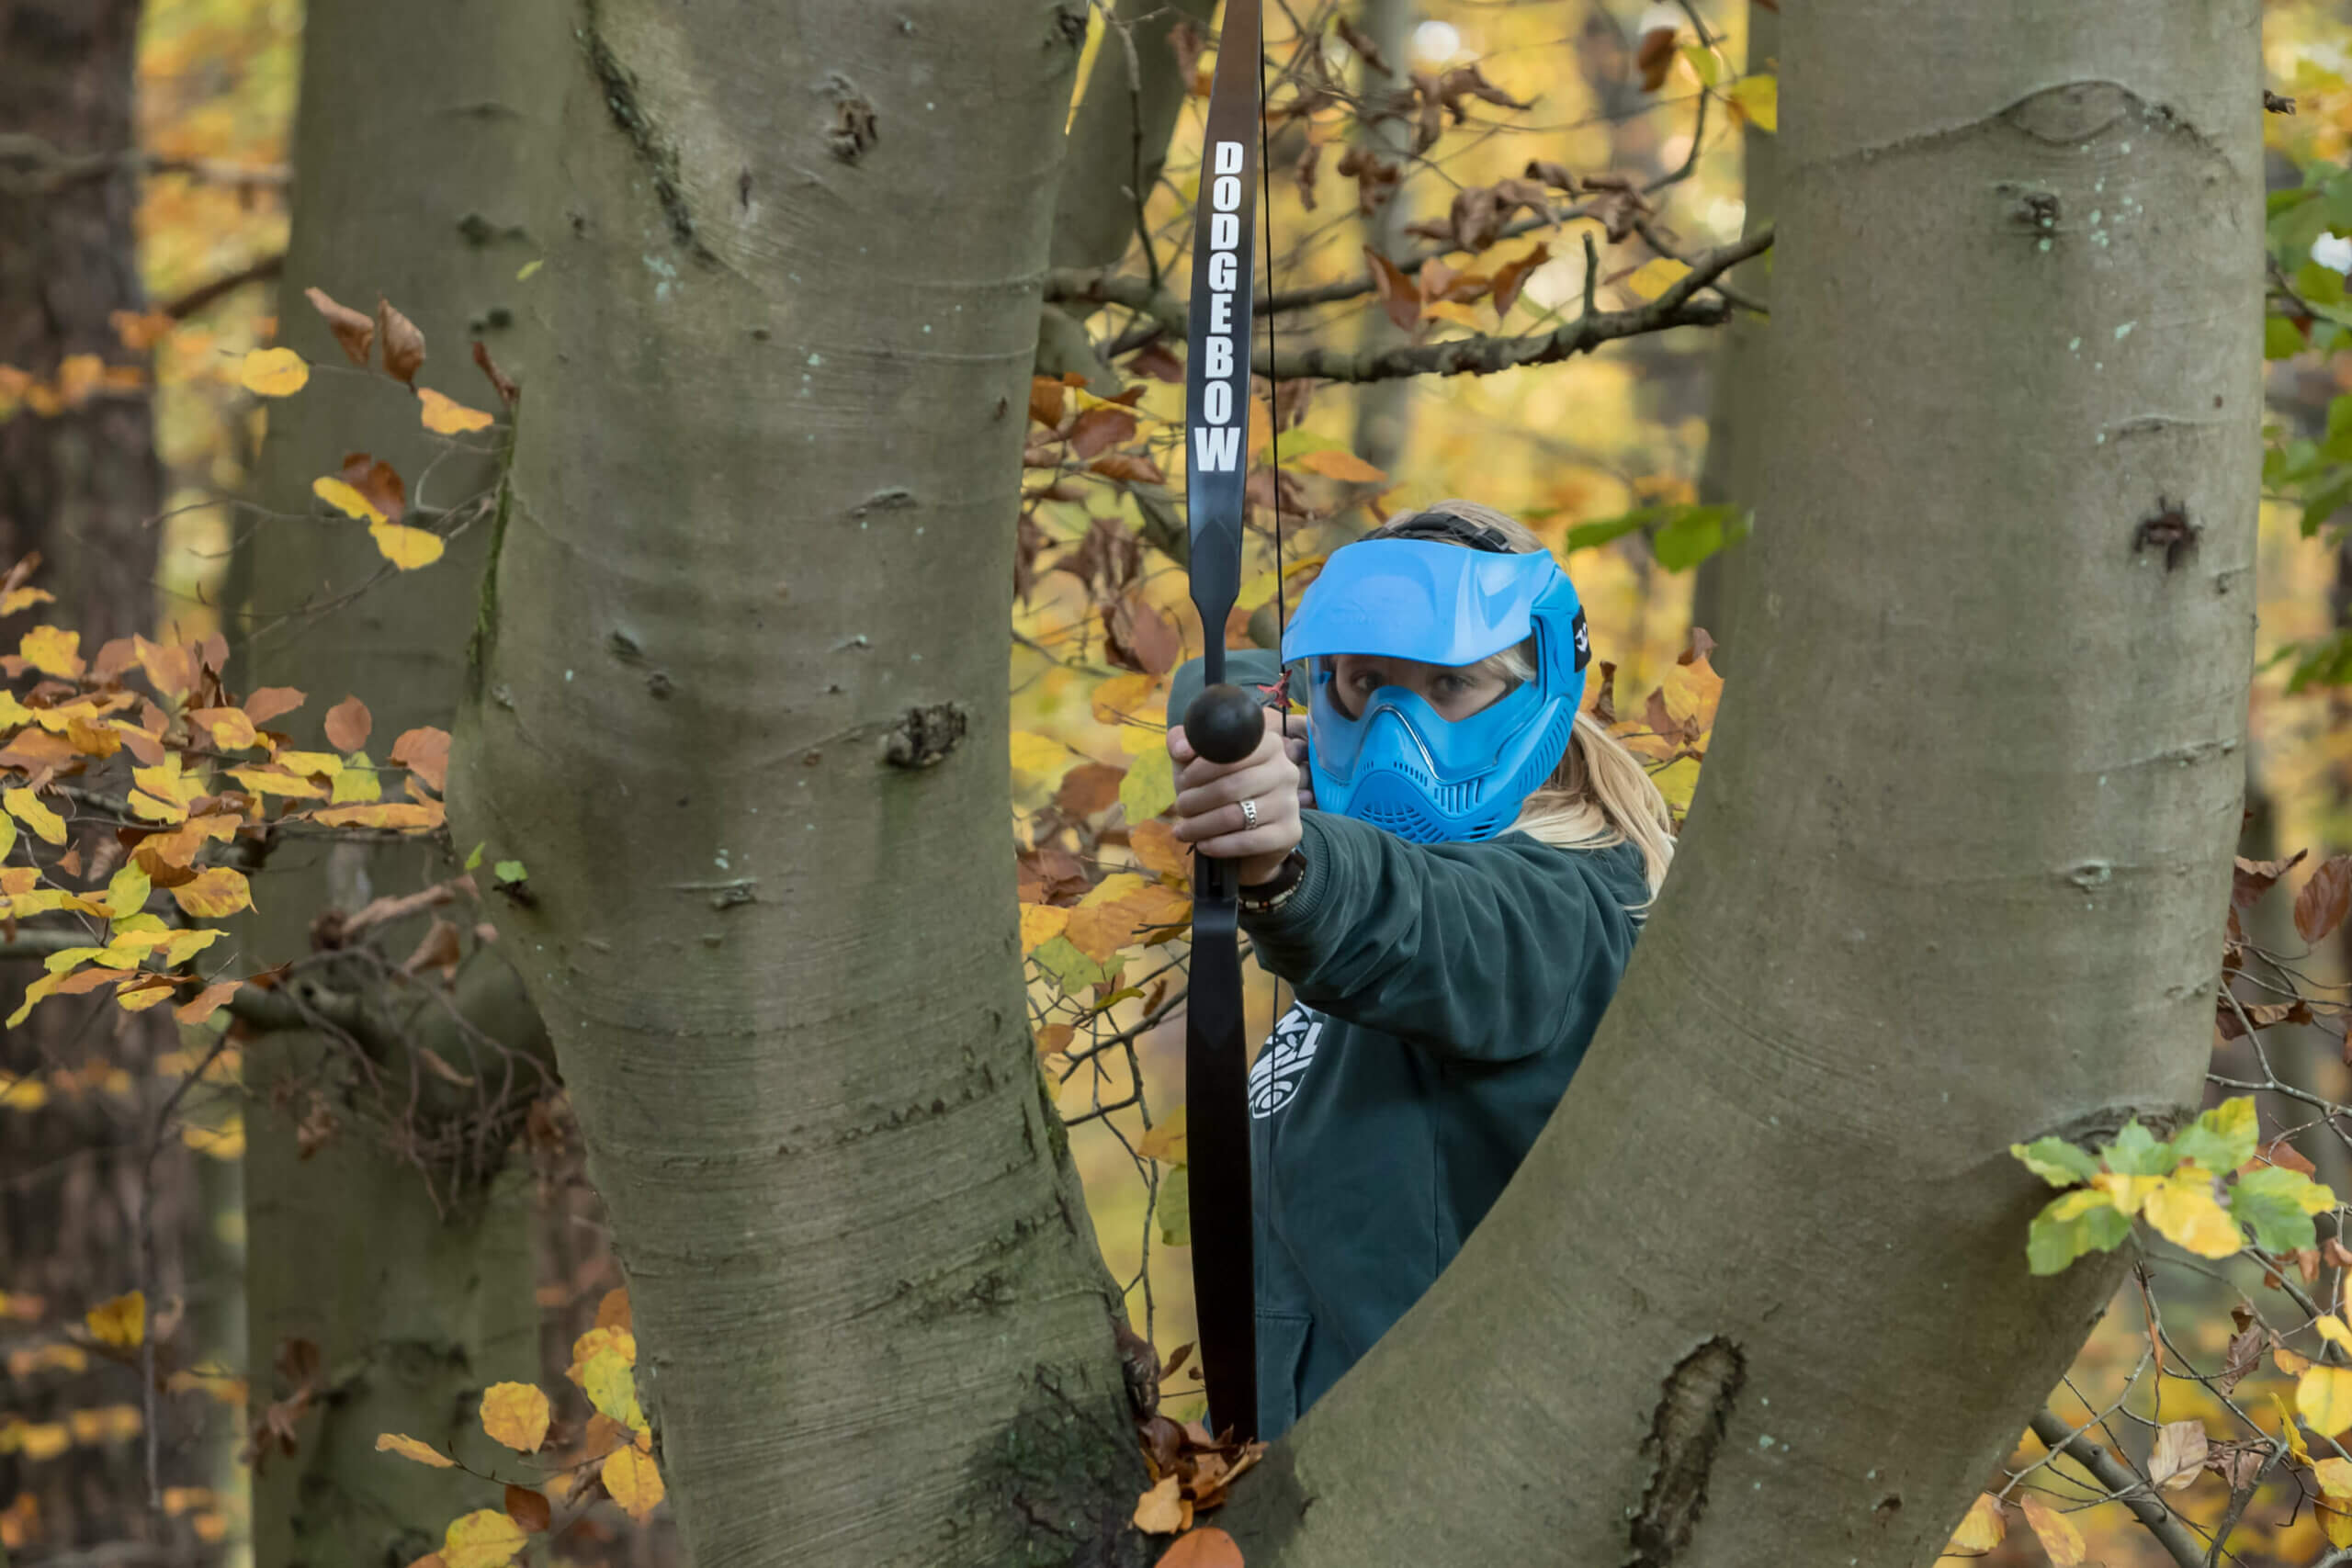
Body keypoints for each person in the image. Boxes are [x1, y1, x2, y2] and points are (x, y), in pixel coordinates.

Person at [1165, 500, 1675, 1438]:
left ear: (1542, 688)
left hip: (1438, 1474)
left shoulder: (1563, 909)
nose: (1398, 729)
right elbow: (1219, 689)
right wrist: (1255, 741)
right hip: (1304, 1471)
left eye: (1450, 685)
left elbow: (1414, 918)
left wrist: (1286, 860)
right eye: (1367, 685)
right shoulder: (1333, 756)